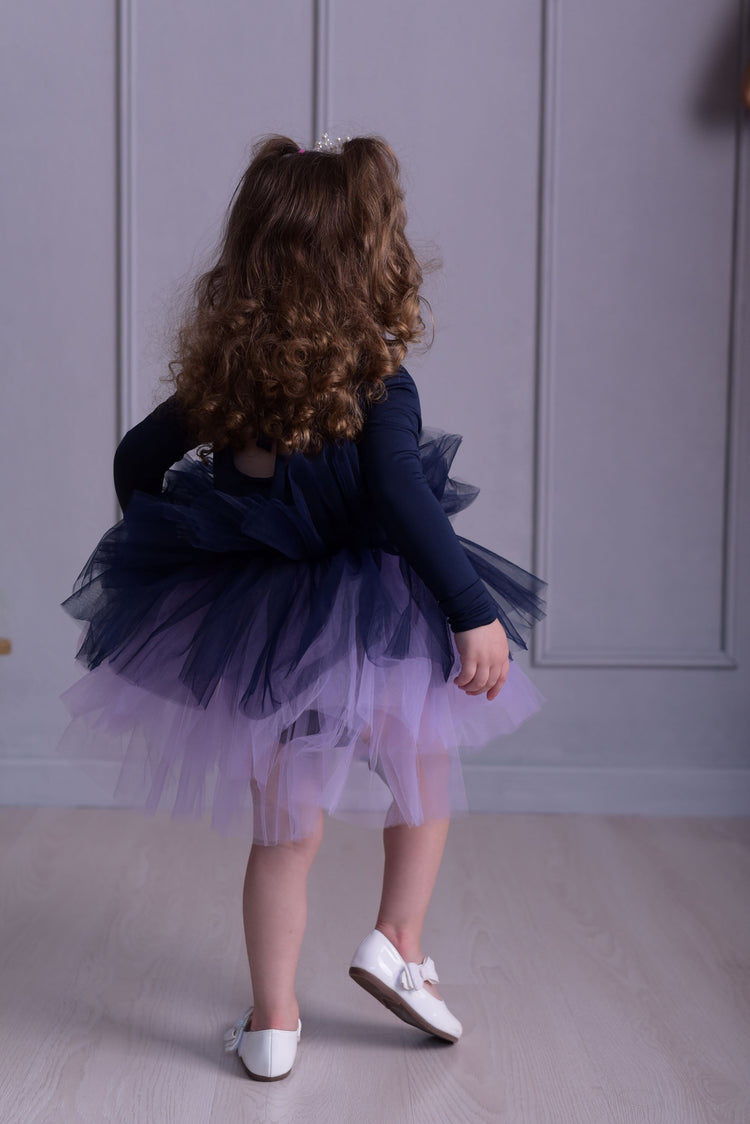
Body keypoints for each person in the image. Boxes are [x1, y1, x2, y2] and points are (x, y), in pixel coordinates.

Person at [58, 133, 547, 1081]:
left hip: (264, 622)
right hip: (380, 611)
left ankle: (274, 1025)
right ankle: (397, 944)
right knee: (422, 776)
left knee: (283, 831)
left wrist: (173, 546)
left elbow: (134, 461)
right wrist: (470, 609)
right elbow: (404, 500)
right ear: (373, 258)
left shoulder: (228, 385)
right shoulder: (379, 384)